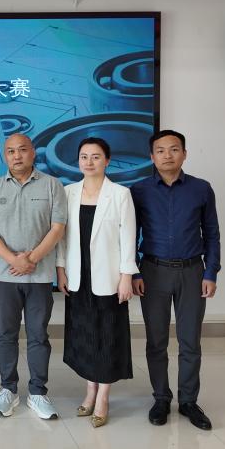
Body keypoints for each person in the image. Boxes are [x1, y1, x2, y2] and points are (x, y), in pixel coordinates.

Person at [131, 129, 221, 431]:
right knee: (156, 341)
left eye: (173, 149)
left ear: (184, 153)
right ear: (151, 156)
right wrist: (134, 272)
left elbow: (212, 233)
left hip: (192, 272)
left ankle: (188, 401)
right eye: (160, 150)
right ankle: (160, 398)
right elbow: (129, 234)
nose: (167, 155)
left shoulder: (201, 189)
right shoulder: (139, 190)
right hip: (153, 272)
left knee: (190, 341)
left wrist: (210, 272)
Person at [0, 133, 67, 420]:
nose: (16, 156)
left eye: (22, 150)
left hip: (39, 276)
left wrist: (31, 259)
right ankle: (8, 390)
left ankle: (38, 392)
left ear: (33, 153)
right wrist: (13, 260)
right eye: (10, 151)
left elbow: (57, 228)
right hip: (5, 277)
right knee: (6, 333)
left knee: (38, 335)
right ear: (4, 155)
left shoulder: (52, 185)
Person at [56, 138, 137, 428]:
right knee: (85, 335)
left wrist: (127, 276)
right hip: (78, 276)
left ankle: (103, 396)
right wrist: (61, 269)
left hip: (109, 277)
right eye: (84, 156)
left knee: (107, 335)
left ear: (107, 160)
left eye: (96, 156)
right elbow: (61, 237)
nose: (89, 162)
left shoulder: (120, 194)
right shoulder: (67, 193)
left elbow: (128, 237)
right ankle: (89, 390)